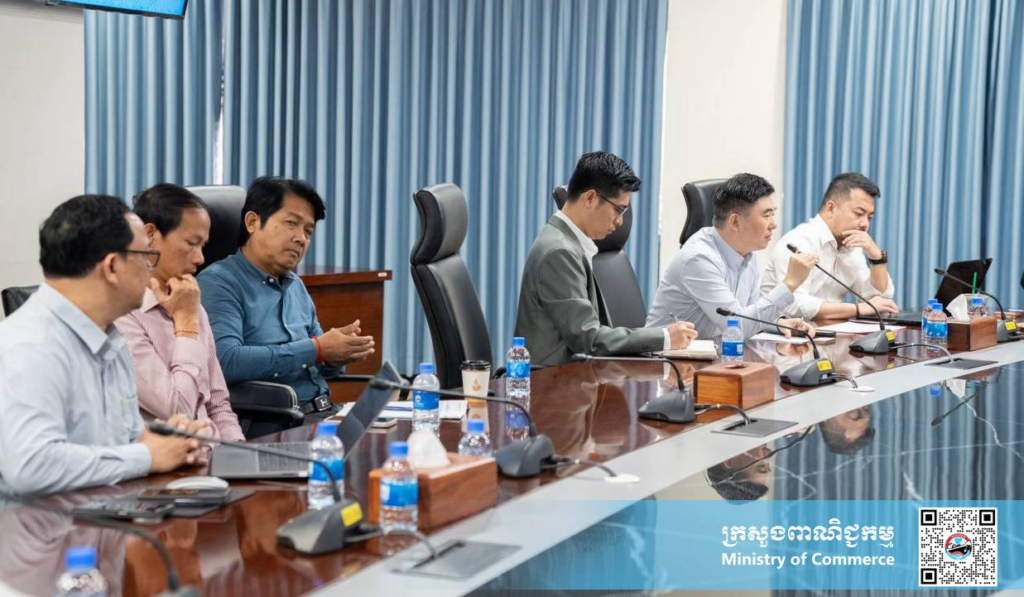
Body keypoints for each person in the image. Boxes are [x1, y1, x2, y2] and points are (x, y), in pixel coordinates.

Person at [0, 195, 206, 496]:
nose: (151, 268)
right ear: (111, 266)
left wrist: (169, 442)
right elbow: (31, 466)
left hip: (111, 510)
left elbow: (123, 441)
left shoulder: (111, 339)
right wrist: (148, 456)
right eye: (146, 256)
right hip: (43, 521)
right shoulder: (31, 343)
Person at [198, 177, 374, 419]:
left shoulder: (295, 284)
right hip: (277, 422)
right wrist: (317, 348)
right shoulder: (219, 282)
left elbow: (317, 366)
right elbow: (225, 362)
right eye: (291, 223)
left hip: (326, 412)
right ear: (252, 222)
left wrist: (336, 355)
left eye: (308, 231)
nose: (301, 238)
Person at [514, 151, 697, 367]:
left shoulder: (569, 243)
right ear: (590, 198)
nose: (620, 221)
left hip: (579, 375)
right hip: (554, 381)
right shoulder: (559, 251)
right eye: (618, 210)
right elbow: (589, 339)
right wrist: (665, 337)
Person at [115, 184, 244, 441]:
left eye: (203, 246)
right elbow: (178, 409)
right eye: (191, 244)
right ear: (150, 235)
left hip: (212, 452)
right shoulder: (122, 315)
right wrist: (186, 326)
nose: (200, 258)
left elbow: (218, 406)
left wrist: (240, 451)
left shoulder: (191, 304)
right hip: (166, 459)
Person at [646, 173, 819, 339]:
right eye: (766, 215)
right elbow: (736, 326)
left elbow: (747, 314)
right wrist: (789, 283)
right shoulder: (699, 258)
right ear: (735, 222)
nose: (773, 224)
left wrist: (779, 324)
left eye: (773, 214)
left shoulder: (747, 253)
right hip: (664, 356)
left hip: (713, 352)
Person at [761, 172, 898, 320]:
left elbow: (879, 303)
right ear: (831, 208)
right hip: (779, 331)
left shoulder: (852, 248)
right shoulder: (799, 241)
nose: (865, 224)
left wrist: (877, 258)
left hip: (828, 330)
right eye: (859, 213)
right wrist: (858, 309)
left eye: (869, 217)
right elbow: (792, 304)